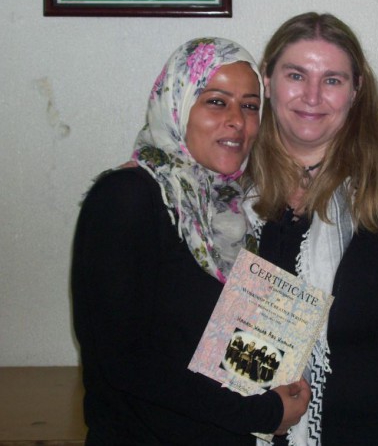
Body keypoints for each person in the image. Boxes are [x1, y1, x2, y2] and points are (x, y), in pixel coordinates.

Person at [71, 37, 310, 445]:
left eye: (250, 106)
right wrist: (261, 413)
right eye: (216, 102)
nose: (237, 120)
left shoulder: (234, 212)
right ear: (177, 106)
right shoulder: (128, 198)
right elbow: (124, 361)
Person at [244, 12, 378, 445]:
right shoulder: (231, 187)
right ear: (267, 79)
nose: (312, 96)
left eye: (332, 80)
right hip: (251, 429)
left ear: (356, 91)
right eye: (296, 75)